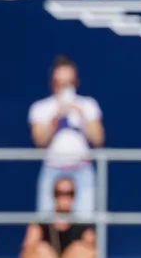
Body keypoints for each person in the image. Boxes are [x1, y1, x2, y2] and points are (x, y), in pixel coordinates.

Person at [28, 55, 103, 216]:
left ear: (76, 82)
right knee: (46, 223)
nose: (64, 88)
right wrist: (56, 117)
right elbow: (39, 141)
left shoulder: (88, 104)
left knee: (85, 222)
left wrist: (82, 116)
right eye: (60, 83)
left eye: (69, 83)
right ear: (52, 83)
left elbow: (98, 139)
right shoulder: (41, 107)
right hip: (52, 170)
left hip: (82, 171)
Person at [20, 176, 97, 258]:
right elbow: (26, 253)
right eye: (59, 193)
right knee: (41, 249)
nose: (64, 197)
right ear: (54, 195)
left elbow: (93, 252)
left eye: (69, 193)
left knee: (82, 249)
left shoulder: (83, 226)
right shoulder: (40, 225)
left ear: (74, 196)